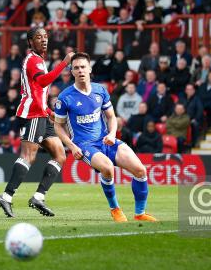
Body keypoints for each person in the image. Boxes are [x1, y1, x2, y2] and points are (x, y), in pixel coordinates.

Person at [53, 52, 156, 223]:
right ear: (71, 72)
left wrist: (112, 133)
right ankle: (115, 209)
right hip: (84, 145)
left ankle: (140, 213)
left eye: (83, 67)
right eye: (76, 68)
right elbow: (58, 125)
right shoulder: (65, 97)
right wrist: (71, 146)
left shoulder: (100, 90)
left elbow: (111, 116)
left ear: (90, 68)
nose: (80, 70)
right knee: (107, 168)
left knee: (140, 170)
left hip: (106, 140)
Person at [0, 27, 73, 218]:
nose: (44, 40)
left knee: (60, 155)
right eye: (38, 37)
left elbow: (37, 90)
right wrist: (64, 63)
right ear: (30, 42)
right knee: (29, 156)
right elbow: (44, 82)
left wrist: (49, 111)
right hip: (31, 114)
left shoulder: (39, 60)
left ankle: (38, 197)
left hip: (41, 113)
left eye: (45, 37)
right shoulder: (32, 60)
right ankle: (6, 196)